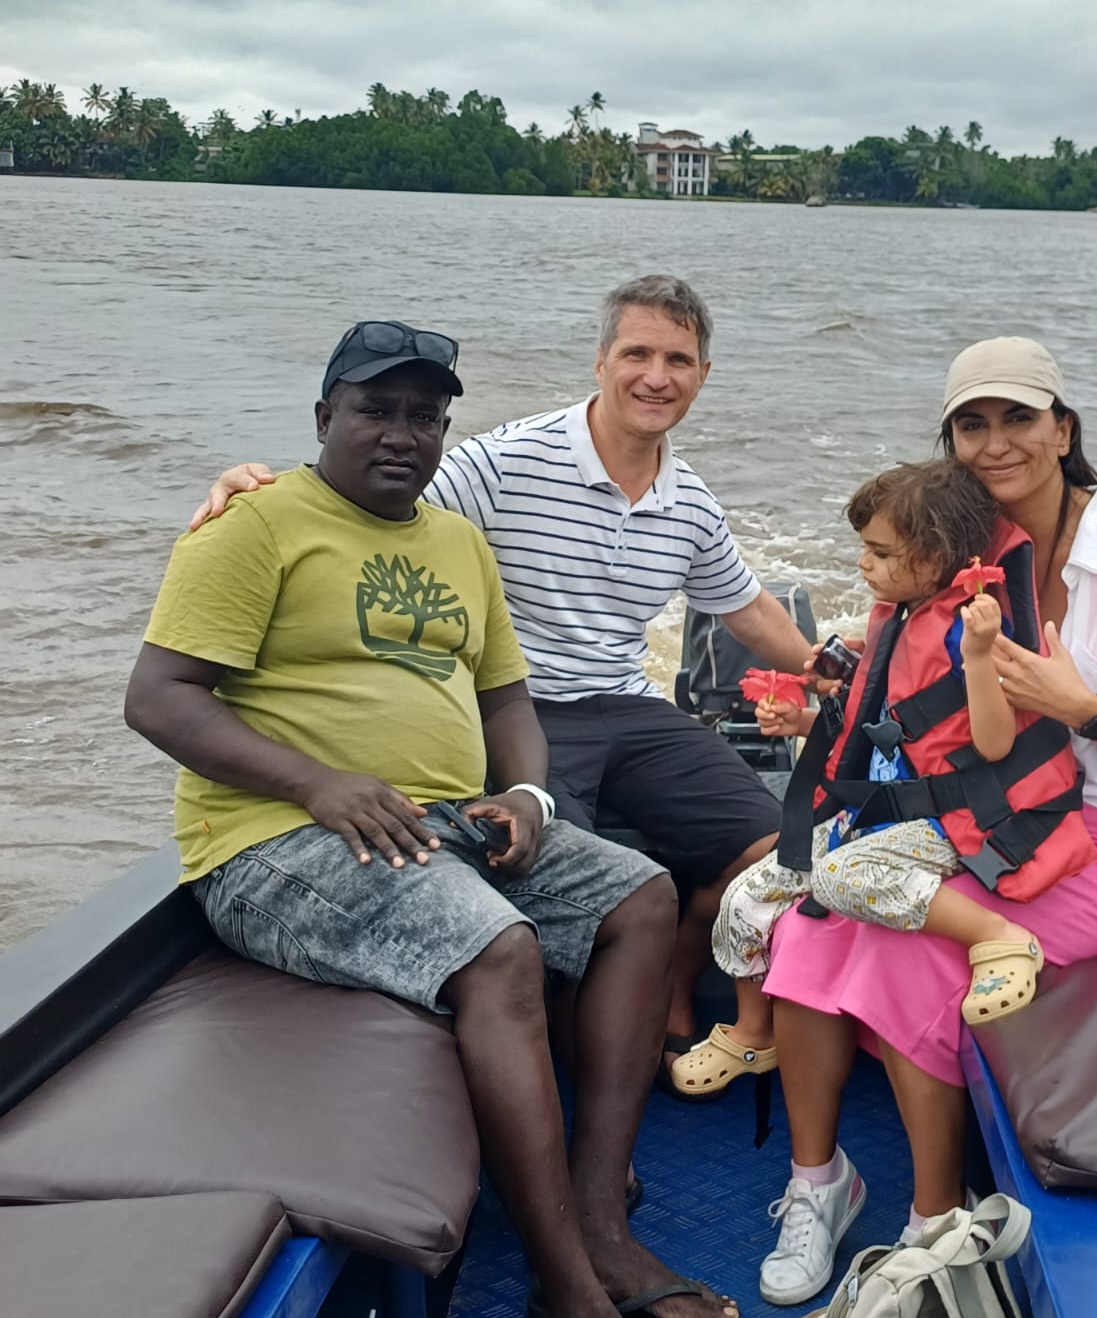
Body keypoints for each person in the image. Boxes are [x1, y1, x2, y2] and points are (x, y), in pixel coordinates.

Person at [125, 320, 742, 1318]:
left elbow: (506, 699)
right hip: (277, 839)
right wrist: (317, 783)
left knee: (640, 894)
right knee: (501, 949)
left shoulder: (457, 542)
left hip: (442, 820)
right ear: (325, 416)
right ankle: (575, 1298)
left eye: (425, 416)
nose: (401, 434)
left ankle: (600, 1227)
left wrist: (529, 798)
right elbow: (158, 697)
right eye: (375, 410)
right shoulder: (255, 525)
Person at [189, 276, 819, 1078]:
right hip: (524, 712)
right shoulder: (504, 461)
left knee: (778, 848)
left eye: (678, 360)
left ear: (702, 375)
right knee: (578, 887)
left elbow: (748, 610)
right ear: (600, 361)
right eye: (637, 354)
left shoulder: (689, 501)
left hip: (629, 706)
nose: (656, 377)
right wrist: (258, 487)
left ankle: (674, 984)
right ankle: (574, 1055)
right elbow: (373, 492)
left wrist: (836, 671)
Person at [754, 335, 1097, 1310]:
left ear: (1063, 430)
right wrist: (831, 687)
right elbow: (909, 679)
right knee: (809, 921)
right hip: (977, 820)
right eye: (972, 424)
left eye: (1018, 418)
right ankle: (819, 1182)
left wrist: (1087, 710)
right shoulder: (964, 551)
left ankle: (935, 1221)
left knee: (908, 952)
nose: (996, 443)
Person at [671, 457, 1093, 1100]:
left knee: (840, 878)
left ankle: (1000, 939)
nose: (864, 564)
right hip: (879, 809)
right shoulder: (899, 619)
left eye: (881, 553)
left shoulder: (971, 631)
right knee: (745, 898)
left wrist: (980, 655)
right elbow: (885, 722)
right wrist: (802, 720)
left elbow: (995, 741)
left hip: (952, 818)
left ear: (936, 557)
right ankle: (755, 1030)